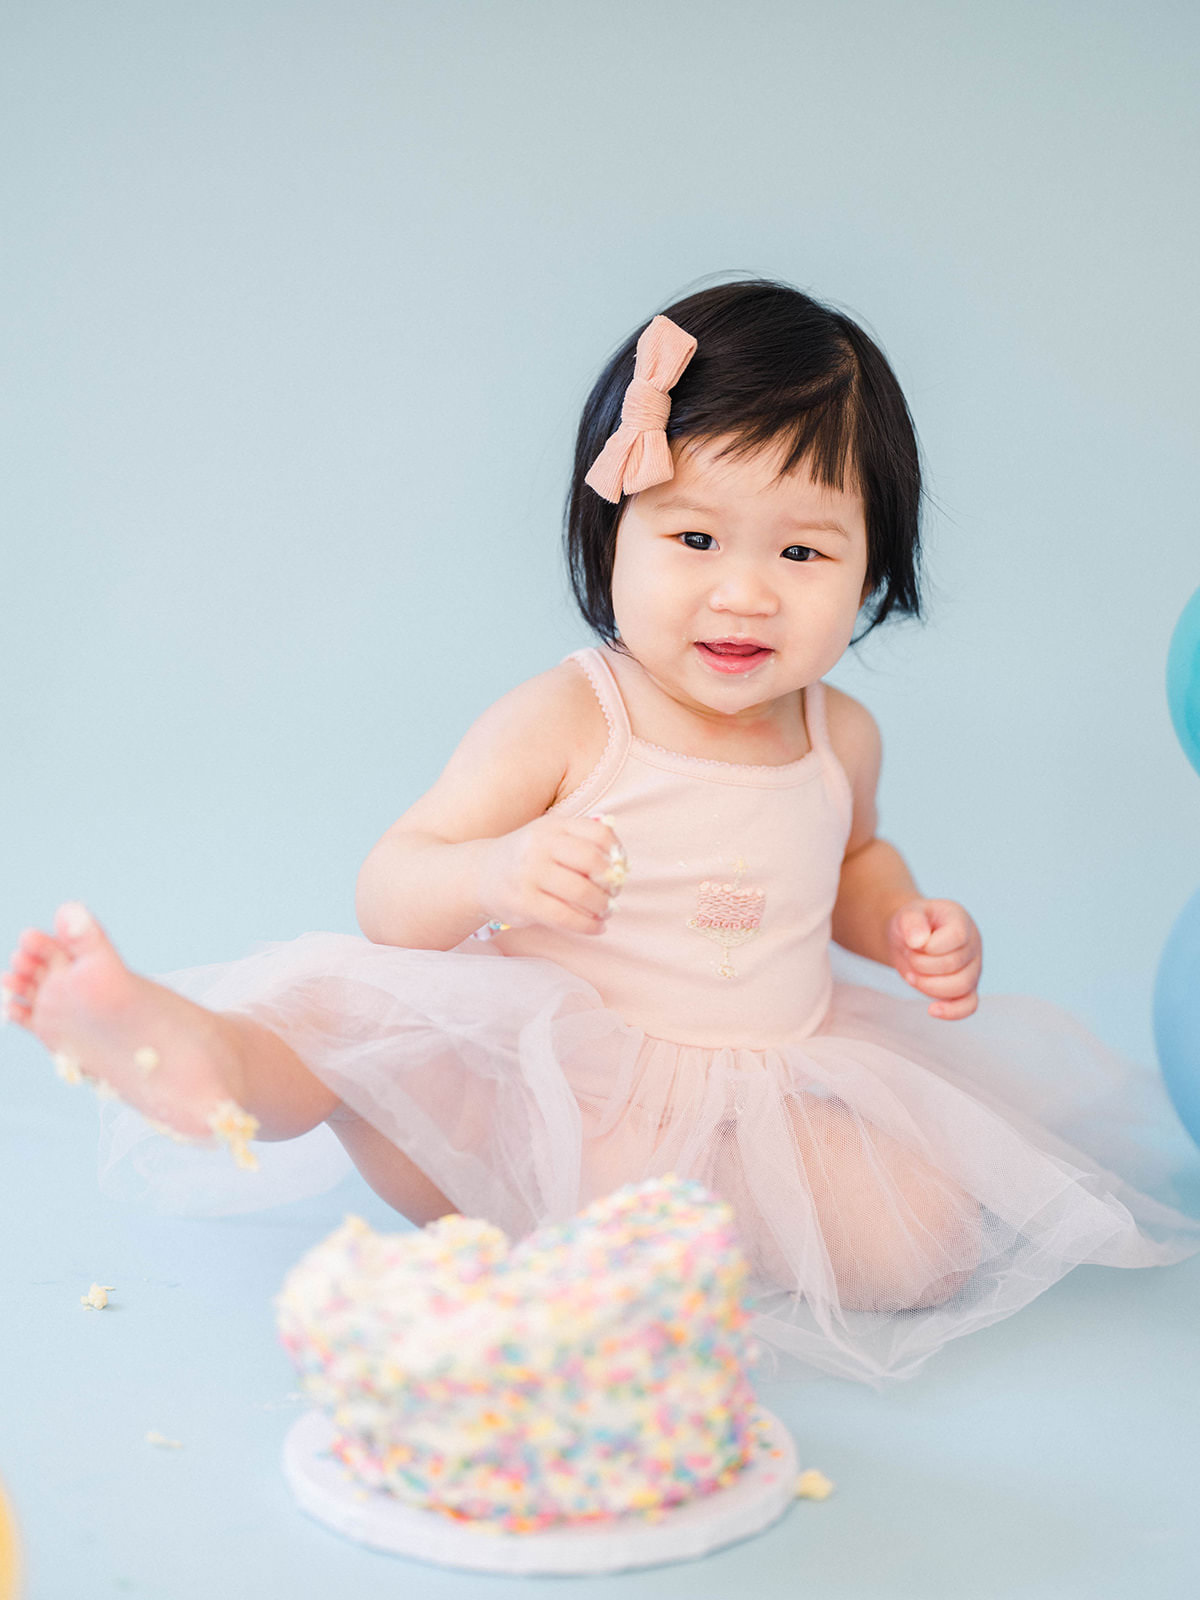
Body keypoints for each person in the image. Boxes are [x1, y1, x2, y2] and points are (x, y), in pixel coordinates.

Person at [6, 279, 1199, 1386]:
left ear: (873, 563)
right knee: (347, 1018)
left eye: (802, 551)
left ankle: (638, 1264)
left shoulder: (842, 733)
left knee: (926, 1245)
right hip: (541, 1084)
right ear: (610, 533)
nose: (745, 592)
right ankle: (199, 1058)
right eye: (694, 538)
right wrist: (501, 869)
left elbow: (851, 862)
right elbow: (393, 888)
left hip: (753, 1097)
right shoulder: (574, 716)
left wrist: (902, 920)